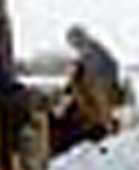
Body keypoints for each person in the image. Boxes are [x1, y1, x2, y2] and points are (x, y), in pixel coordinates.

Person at [55, 22, 129, 151]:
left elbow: (99, 90)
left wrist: (104, 118)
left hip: (96, 111)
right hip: (92, 108)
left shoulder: (94, 56)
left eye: (74, 40)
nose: (74, 45)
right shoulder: (88, 56)